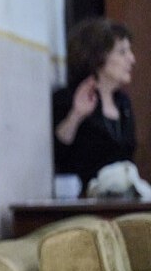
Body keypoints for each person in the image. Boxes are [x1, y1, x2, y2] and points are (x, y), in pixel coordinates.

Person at [53, 17, 137, 192]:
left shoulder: (123, 103)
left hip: (122, 200)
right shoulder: (67, 98)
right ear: (98, 57)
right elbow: (58, 154)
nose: (132, 59)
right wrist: (76, 115)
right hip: (84, 203)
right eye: (122, 52)